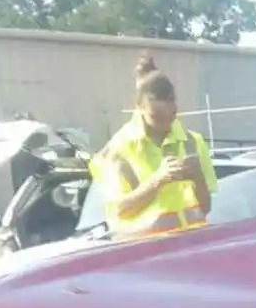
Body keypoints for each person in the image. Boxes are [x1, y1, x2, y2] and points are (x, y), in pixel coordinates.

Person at [91, 53, 216, 238]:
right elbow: (120, 210)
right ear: (139, 106)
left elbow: (205, 208)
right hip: (143, 255)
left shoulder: (193, 142)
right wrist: (157, 180)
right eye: (156, 117)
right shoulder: (118, 150)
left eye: (171, 116)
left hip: (191, 248)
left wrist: (198, 178)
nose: (166, 123)